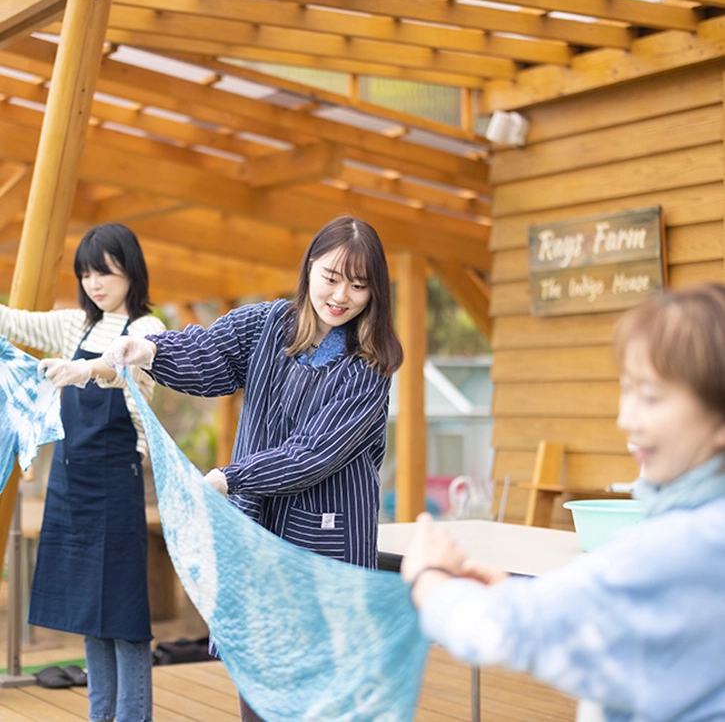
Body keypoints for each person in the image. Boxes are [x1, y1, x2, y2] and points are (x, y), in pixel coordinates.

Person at [103, 214, 404, 722]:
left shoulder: (369, 368)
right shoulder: (268, 324)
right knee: (256, 679)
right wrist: (151, 350)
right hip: (255, 533)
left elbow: (312, 453)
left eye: (359, 285)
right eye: (331, 277)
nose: (341, 296)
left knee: (315, 690)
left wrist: (230, 477)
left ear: (375, 292)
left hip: (324, 546)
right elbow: (210, 353)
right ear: (309, 268)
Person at [401, 282, 725, 722]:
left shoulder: (687, 545)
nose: (624, 418)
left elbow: (507, 630)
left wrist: (430, 578)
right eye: (626, 390)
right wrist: (520, 594)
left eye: (650, 396)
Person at [0, 223, 165, 722]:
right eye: (87, 273)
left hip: (118, 479)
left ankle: (132, 716)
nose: (96, 283)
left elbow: (128, 371)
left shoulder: (147, 330)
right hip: (71, 481)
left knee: (125, 615)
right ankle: (101, 716)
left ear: (130, 270)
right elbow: (13, 323)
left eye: (106, 271)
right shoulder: (73, 325)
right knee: (90, 615)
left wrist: (87, 369)